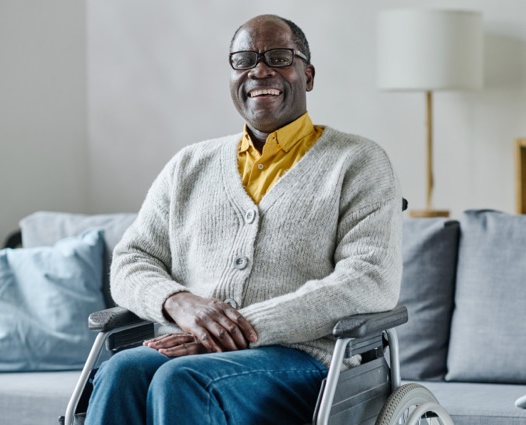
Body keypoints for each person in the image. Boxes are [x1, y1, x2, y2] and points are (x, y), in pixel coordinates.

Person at [85, 14, 403, 425]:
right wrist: (176, 302)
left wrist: (238, 329)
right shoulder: (189, 165)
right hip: (190, 348)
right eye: (244, 59)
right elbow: (132, 259)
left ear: (307, 75)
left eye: (278, 56)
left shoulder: (358, 162)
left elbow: (370, 279)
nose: (260, 70)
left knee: (182, 380)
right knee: (119, 371)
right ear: (232, 77)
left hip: (307, 358)